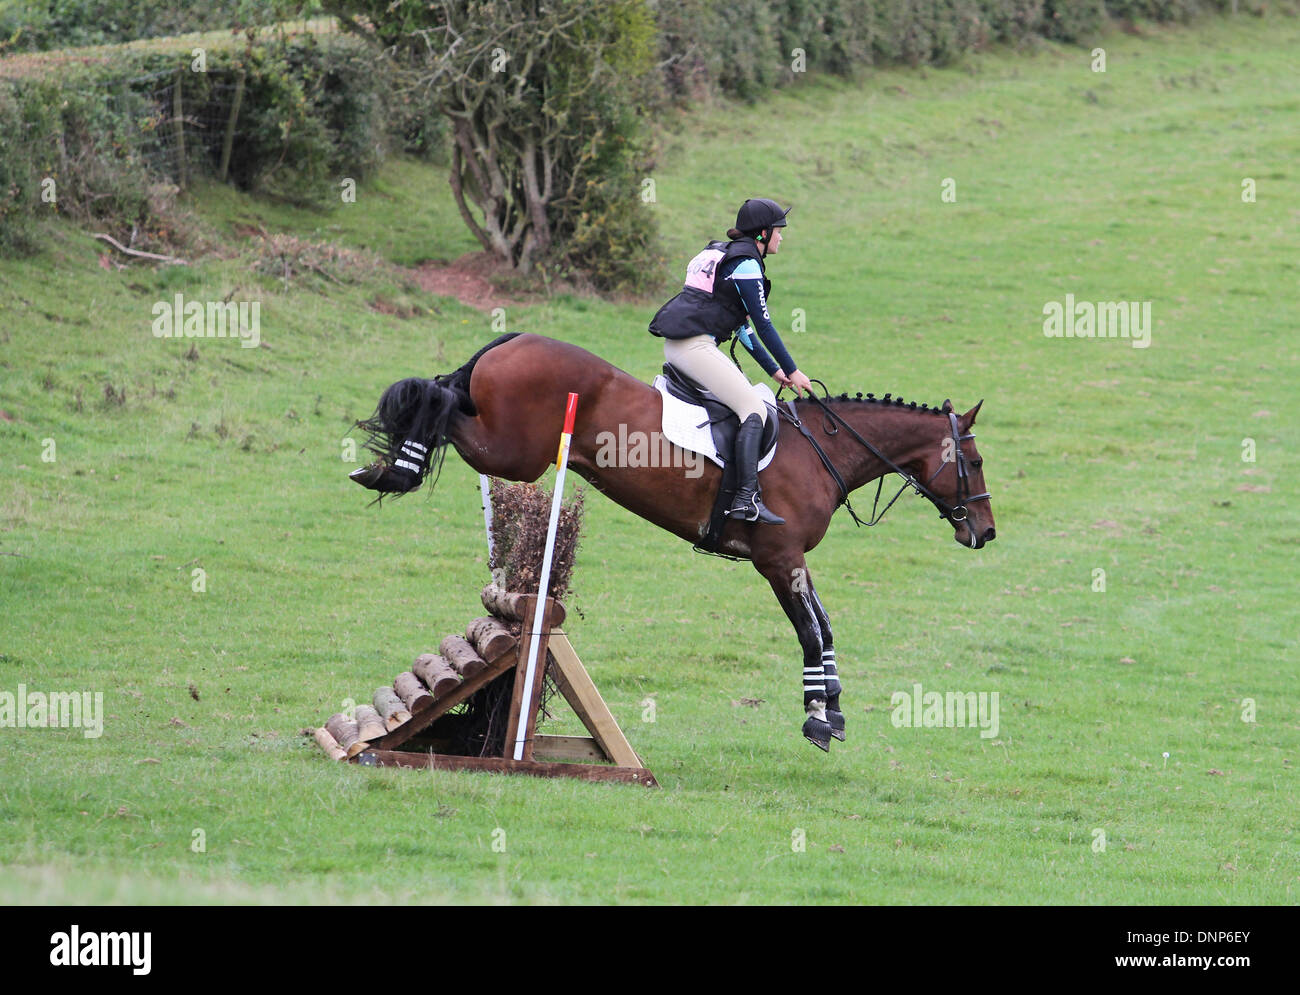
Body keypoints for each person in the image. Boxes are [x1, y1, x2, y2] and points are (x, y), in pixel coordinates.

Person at [649, 197, 814, 525]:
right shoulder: (747, 264)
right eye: (779, 231)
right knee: (753, 408)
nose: (782, 237)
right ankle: (745, 499)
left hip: (682, 344)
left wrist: (775, 370)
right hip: (694, 347)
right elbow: (763, 324)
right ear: (762, 234)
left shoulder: (722, 253)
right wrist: (794, 370)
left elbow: (742, 328)